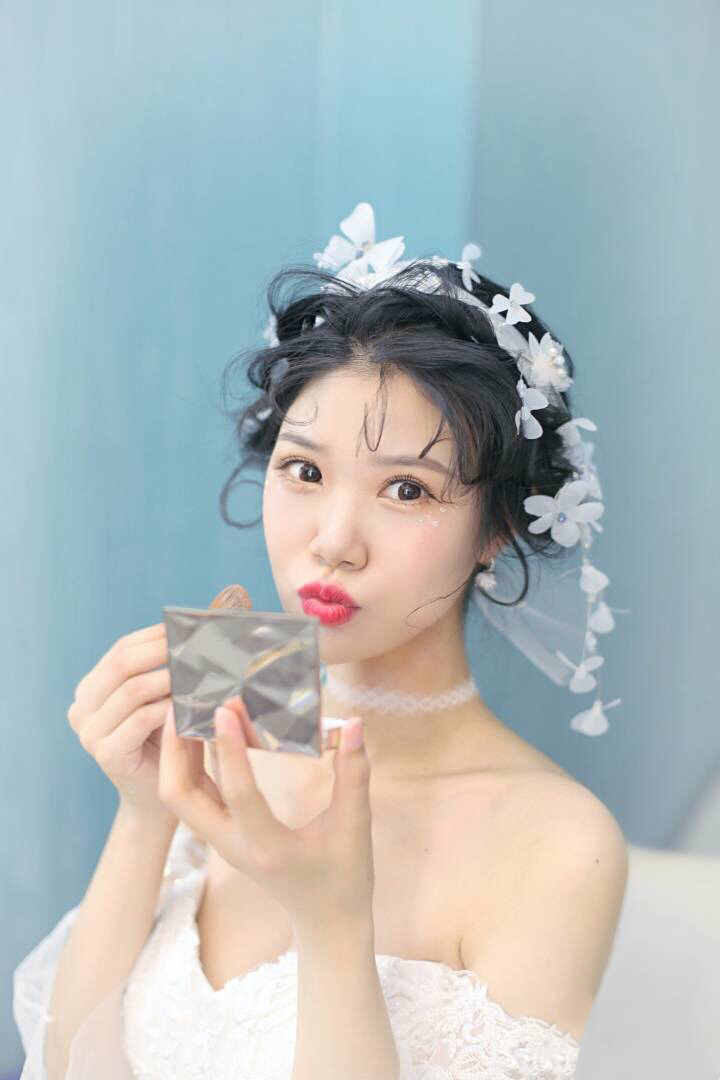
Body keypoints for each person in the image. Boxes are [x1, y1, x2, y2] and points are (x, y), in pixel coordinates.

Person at [13, 230, 628, 1079]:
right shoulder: (236, 710)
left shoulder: (557, 843)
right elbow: (66, 1064)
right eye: (305, 472)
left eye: (406, 489)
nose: (334, 541)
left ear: (496, 529)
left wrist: (335, 925)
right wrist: (145, 813)